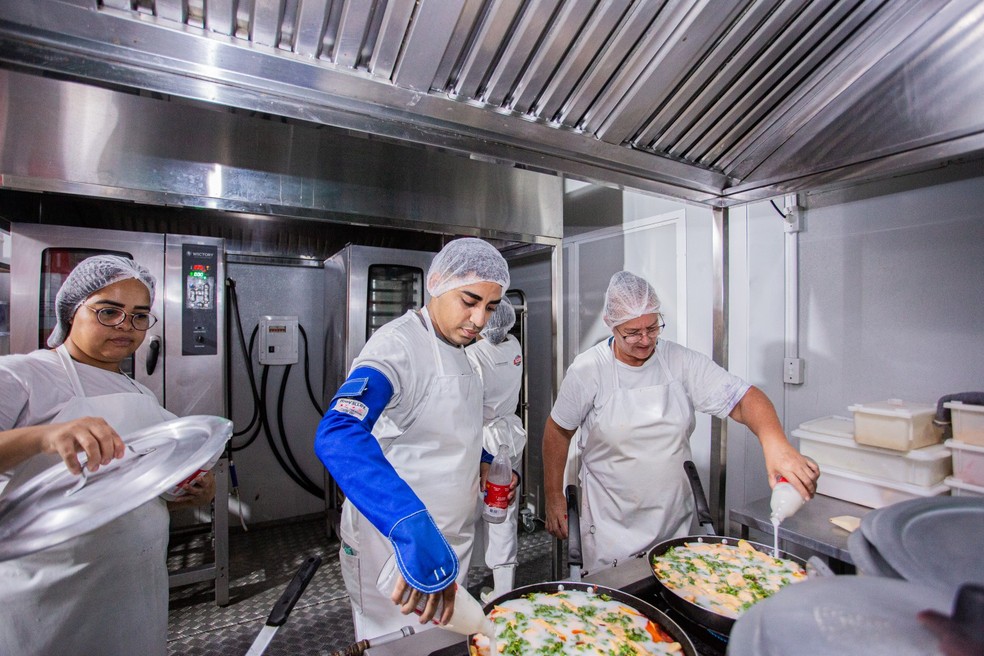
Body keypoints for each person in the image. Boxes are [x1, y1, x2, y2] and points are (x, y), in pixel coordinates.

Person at [0, 255, 215, 656]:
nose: (125, 326)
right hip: (49, 594)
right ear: (71, 311)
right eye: (108, 311)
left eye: (139, 316)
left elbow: (146, 476)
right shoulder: (24, 375)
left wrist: (193, 488)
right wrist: (43, 437)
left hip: (134, 589)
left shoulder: (139, 393)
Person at [543, 271, 820, 572]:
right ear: (612, 324)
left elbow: (743, 399)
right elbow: (558, 430)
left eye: (653, 327)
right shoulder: (588, 370)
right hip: (611, 527)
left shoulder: (680, 362)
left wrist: (775, 444)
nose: (645, 340)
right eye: (632, 332)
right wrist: (554, 495)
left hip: (673, 522)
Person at [315, 237, 513, 639]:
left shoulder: (461, 346)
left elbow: (442, 426)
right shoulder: (398, 346)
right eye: (470, 301)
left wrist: (483, 459)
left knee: (443, 645)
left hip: (448, 542)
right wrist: (410, 527)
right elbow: (339, 434)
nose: (479, 319)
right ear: (437, 284)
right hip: (396, 549)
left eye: (491, 307)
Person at [465, 298, 526, 603]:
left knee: (466, 516)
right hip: (511, 438)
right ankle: (504, 592)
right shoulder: (515, 347)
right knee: (503, 512)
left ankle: (459, 593)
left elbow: (468, 407)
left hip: (483, 443)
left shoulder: (472, 356)